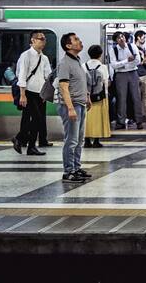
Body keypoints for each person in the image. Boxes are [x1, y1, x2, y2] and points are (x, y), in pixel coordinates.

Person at [56, 32, 92, 183]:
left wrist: (87, 97)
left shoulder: (77, 60)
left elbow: (79, 82)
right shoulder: (64, 63)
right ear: (68, 45)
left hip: (81, 104)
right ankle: (68, 171)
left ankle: (76, 167)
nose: (80, 41)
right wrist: (70, 108)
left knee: (79, 139)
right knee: (71, 140)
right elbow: (63, 86)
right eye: (76, 39)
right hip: (71, 105)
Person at [11, 30, 52, 156]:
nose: (43, 41)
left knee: (37, 120)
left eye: (44, 39)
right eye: (40, 39)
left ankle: (30, 146)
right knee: (37, 119)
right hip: (28, 92)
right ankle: (21, 139)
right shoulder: (26, 56)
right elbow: (21, 75)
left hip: (40, 94)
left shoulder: (44, 58)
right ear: (33, 40)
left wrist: (45, 93)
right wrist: (22, 94)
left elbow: (47, 76)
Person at [108, 31, 146, 130]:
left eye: (122, 36)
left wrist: (124, 64)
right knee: (121, 98)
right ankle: (121, 121)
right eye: (118, 38)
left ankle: (139, 121)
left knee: (136, 97)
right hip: (120, 75)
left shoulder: (132, 46)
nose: (121, 39)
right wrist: (127, 61)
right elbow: (114, 65)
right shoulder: (113, 50)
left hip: (133, 73)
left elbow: (137, 61)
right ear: (116, 41)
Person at [83, 45, 111, 148]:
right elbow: (106, 82)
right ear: (100, 55)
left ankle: (86, 140)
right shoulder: (103, 67)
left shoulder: (83, 66)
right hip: (100, 97)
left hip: (86, 97)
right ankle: (96, 141)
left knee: (86, 118)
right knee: (98, 119)